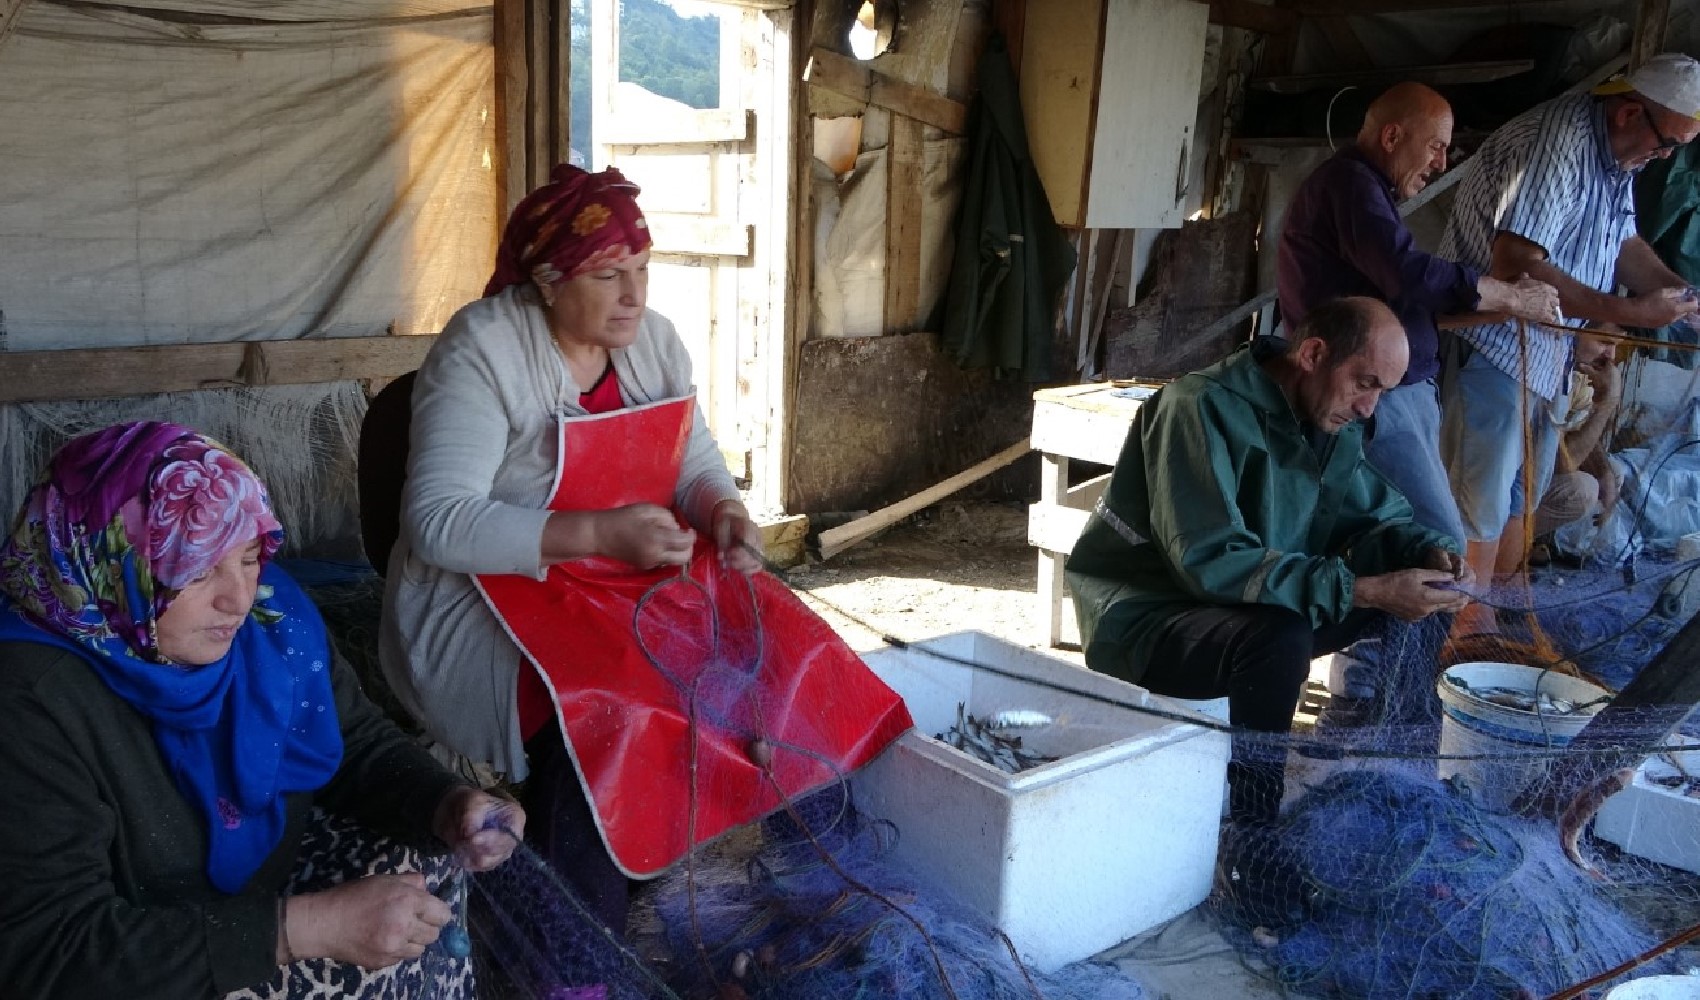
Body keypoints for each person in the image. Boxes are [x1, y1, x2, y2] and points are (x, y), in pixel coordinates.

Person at [380, 165, 910, 943]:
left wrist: (722, 510)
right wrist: (596, 533)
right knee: (606, 714)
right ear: (550, 280)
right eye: (608, 274)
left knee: (787, 653)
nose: (635, 294)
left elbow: (692, 457)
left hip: (624, 576)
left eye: (641, 269)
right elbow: (438, 521)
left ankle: (821, 898)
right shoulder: (484, 349)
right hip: (483, 593)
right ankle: (576, 955)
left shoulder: (653, 342)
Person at [0, 421, 523, 1000]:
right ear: (109, 566)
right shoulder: (30, 702)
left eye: (249, 558)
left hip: (247, 891)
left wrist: (448, 802)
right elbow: (49, 951)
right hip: (132, 954)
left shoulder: (274, 626)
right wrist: (309, 929)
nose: (239, 598)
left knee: (420, 852)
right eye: (197, 569)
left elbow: (354, 741)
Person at [1066, 298, 1469, 923]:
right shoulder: (1196, 407)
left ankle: (1393, 773)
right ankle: (1254, 836)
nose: (1371, 407)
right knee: (1282, 635)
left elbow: (1376, 513)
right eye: (1365, 383)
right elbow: (1210, 562)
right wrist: (1362, 589)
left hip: (1248, 614)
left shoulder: (1328, 422)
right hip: (1149, 620)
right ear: (1311, 354)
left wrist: (1423, 550)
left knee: (1415, 599)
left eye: (1382, 392)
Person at [1437, 52, 1700, 643]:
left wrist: (1677, 293)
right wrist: (1628, 312)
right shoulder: (1558, 140)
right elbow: (1518, 265)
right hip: (1495, 348)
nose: (1667, 157)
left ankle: (1481, 633)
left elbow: (1622, 238)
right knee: (1476, 507)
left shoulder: (1615, 155)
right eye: (1667, 144)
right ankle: (1455, 640)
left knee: (1512, 503)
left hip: (1541, 359)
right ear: (1631, 112)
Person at [1277, 81, 1560, 546]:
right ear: (1391, 138)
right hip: (1378, 394)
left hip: (1394, 392)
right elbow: (1407, 274)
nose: (1441, 164)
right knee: (1440, 538)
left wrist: (1499, 306)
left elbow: (1401, 303)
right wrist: (1506, 296)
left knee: (1394, 536)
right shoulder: (1350, 182)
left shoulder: (1366, 188)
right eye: (1435, 147)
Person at [1531, 332, 1624, 556]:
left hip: (1540, 472)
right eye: (1604, 342)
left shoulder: (1579, 373)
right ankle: (1511, 542)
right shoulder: (1551, 369)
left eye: (1615, 345)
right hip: (1521, 479)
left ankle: (1544, 541)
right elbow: (1566, 463)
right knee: (1581, 491)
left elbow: (1579, 432)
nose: (1610, 357)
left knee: (1613, 472)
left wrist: (1605, 474)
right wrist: (1607, 404)